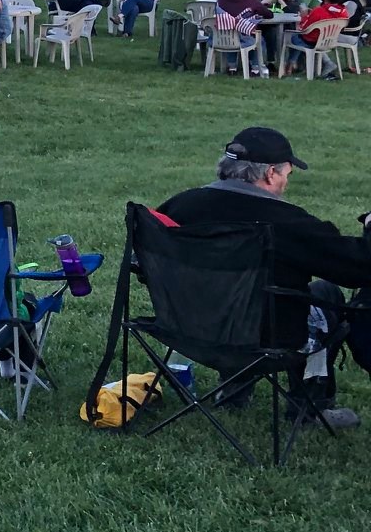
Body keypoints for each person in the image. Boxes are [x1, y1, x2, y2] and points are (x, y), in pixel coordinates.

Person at [157, 127, 371, 427]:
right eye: (288, 174)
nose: (286, 182)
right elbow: (360, 266)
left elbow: (141, 264)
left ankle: (235, 388)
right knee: (327, 294)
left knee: (240, 300)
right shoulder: (289, 223)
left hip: (187, 329)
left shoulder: (179, 206)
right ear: (271, 174)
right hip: (267, 342)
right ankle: (309, 407)